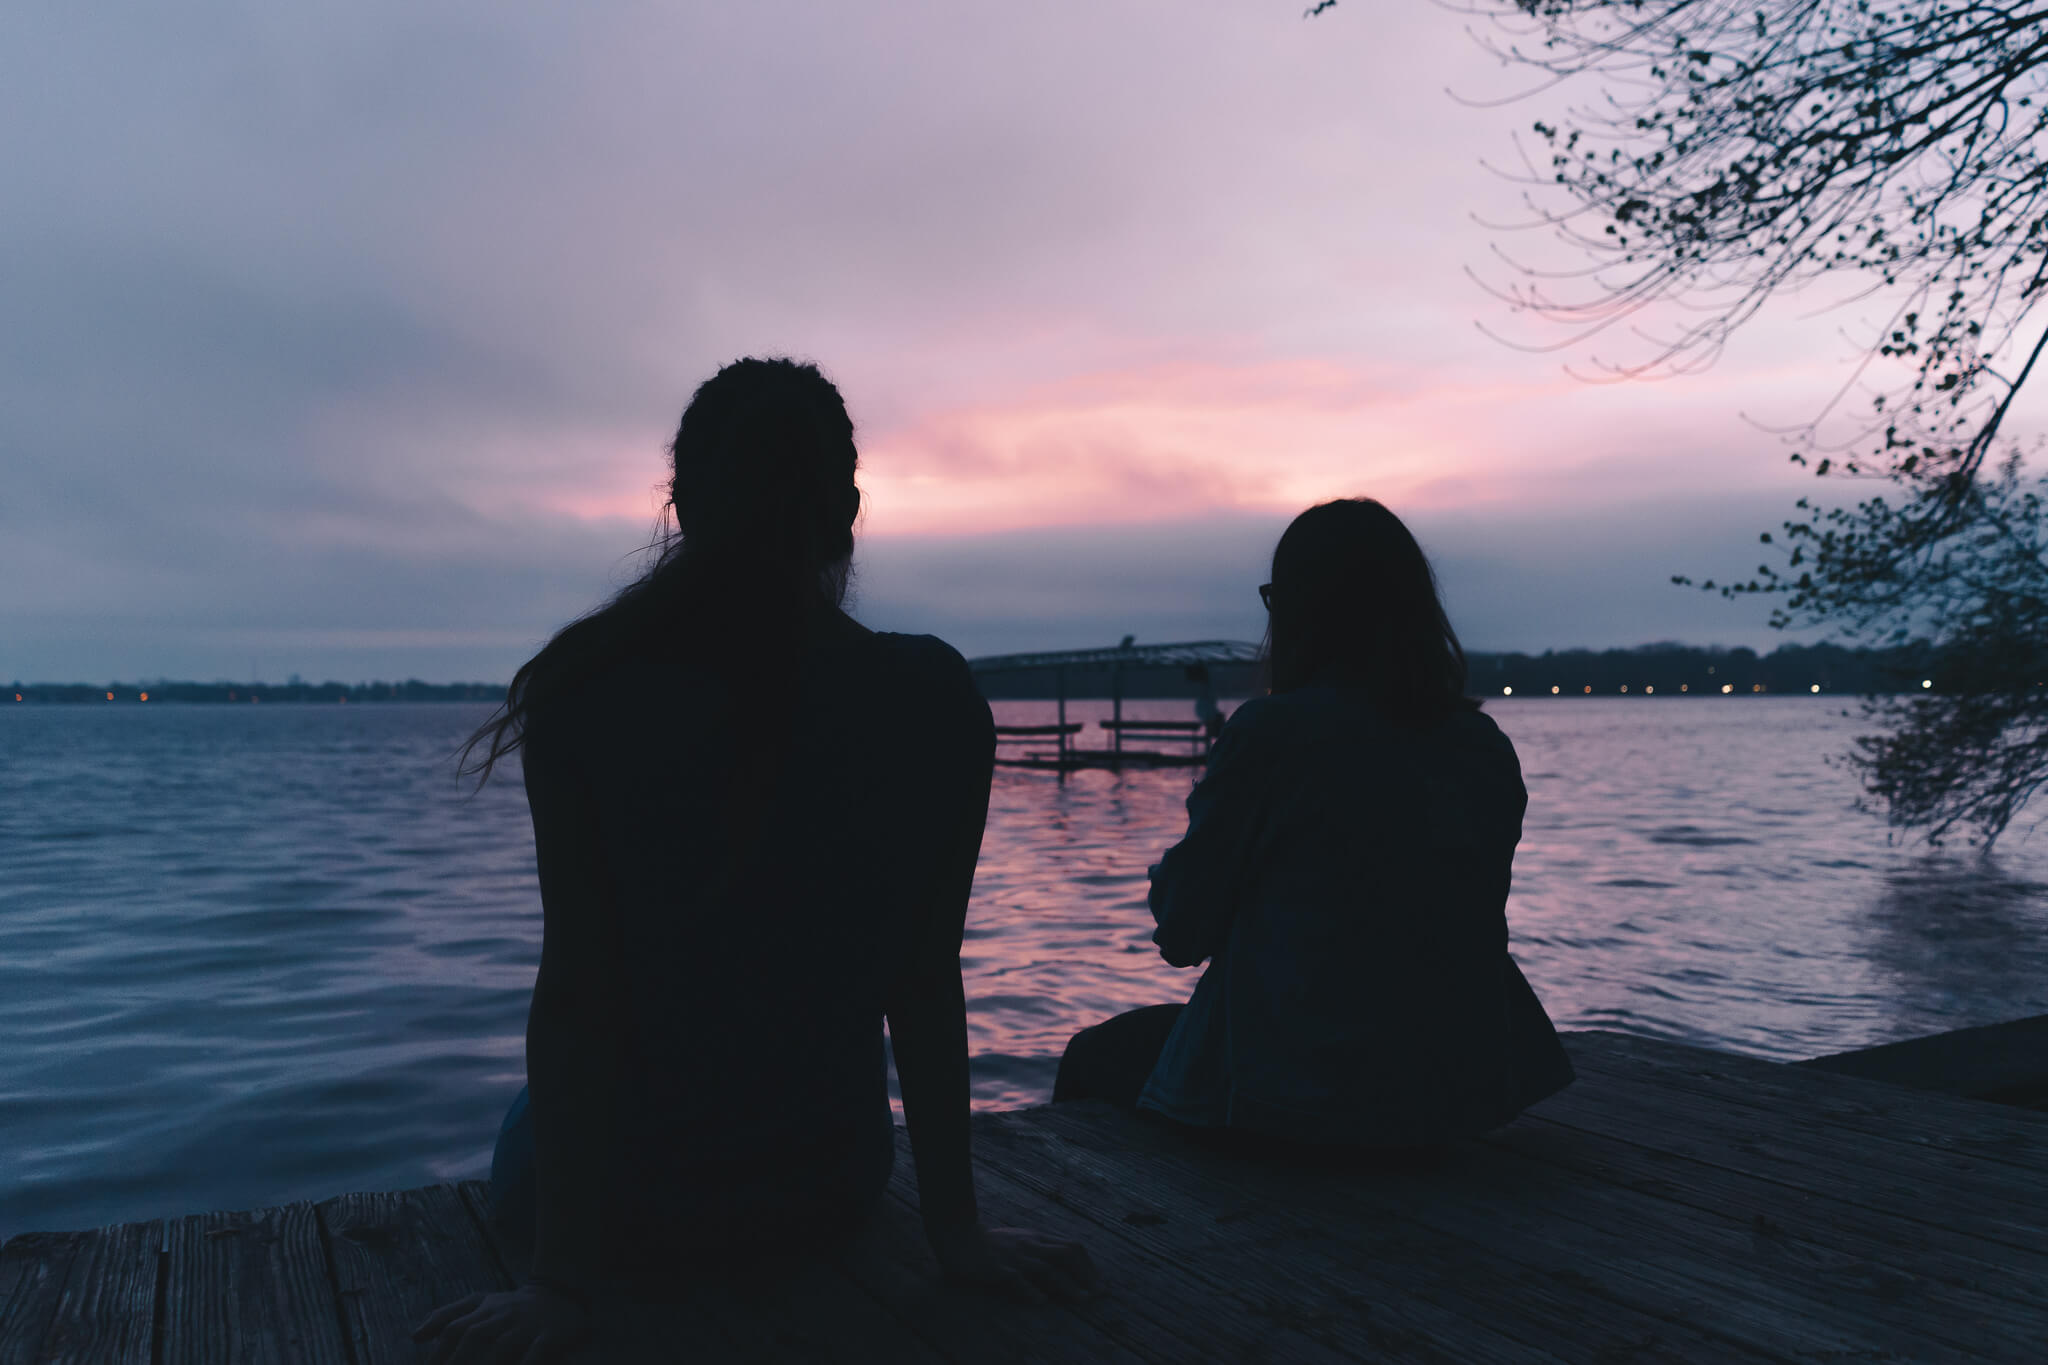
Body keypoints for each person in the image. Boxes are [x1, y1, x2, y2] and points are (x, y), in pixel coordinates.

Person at [414, 358, 1095, 1365]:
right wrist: (956, 1234)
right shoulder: (934, 697)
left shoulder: (585, 690)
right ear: (848, 506)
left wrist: (557, 1283)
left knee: (532, 1114)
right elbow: (923, 982)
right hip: (823, 1186)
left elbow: (578, 997)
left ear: (681, 503)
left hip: (629, 1207)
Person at [1052, 497, 1575, 1160]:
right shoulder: (1482, 744)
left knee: (1095, 1056)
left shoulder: (1273, 736)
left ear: (1302, 610)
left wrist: (1175, 878)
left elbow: (1182, 934)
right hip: (1450, 1095)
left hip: (1301, 1091)